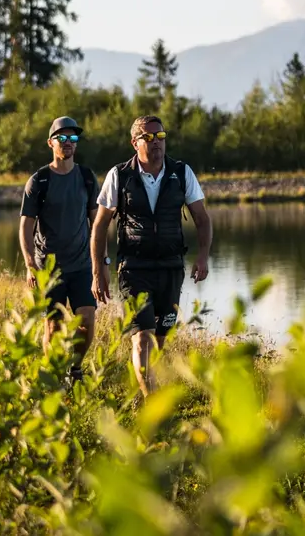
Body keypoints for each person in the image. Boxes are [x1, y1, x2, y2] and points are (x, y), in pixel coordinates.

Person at [89, 114, 213, 398]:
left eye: (160, 136)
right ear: (135, 143)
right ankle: (151, 402)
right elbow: (100, 225)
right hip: (134, 268)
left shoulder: (181, 173)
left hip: (171, 267)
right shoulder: (119, 175)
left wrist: (203, 256)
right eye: (148, 137)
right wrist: (99, 269)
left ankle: (146, 389)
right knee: (142, 338)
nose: (156, 142)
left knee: (159, 340)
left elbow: (202, 219)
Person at [19, 116, 101, 384]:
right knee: (54, 326)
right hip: (49, 268)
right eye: (62, 138)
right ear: (50, 143)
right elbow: (25, 226)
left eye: (73, 138)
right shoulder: (39, 180)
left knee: (86, 320)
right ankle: (54, 376)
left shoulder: (86, 178)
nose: (68, 143)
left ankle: (74, 370)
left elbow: (97, 224)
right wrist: (30, 264)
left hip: (82, 266)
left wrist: (101, 263)